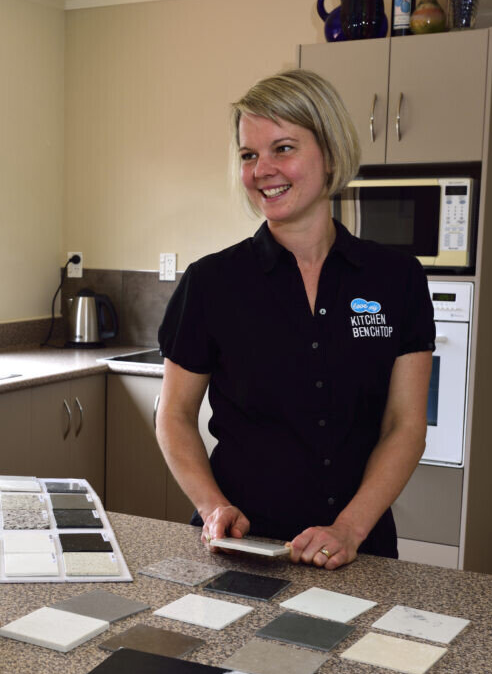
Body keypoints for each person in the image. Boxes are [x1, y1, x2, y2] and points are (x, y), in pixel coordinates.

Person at [155, 69, 434, 571]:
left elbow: (405, 424)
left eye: (283, 148)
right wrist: (212, 506)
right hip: (241, 547)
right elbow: (173, 415)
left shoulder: (396, 279)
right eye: (248, 154)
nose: (262, 169)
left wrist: (349, 528)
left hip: (358, 549)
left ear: (329, 152)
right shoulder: (212, 283)